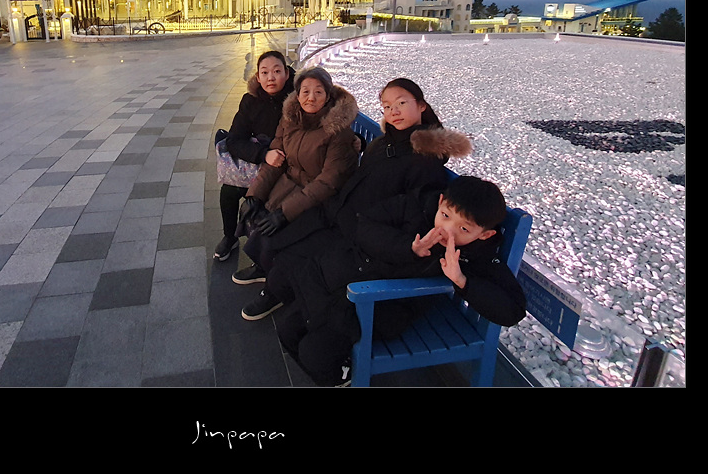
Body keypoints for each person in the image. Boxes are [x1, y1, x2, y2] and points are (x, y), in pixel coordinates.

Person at [278, 175, 527, 387]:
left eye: (464, 229)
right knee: (288, 329)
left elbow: (513, 309)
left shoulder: (475, 255)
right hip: (347, 280)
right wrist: (409, 248)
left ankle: (340, 377)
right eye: (445, 215)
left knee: (314, 353)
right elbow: (365, 226)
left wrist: (462, 281)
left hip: (381, 306)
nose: (448, 230)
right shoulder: (415, 207)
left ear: (485, 235)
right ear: (440, 202)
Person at [232, 66, 360, 320]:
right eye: (305, 91)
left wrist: (283, 213)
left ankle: (275, 290)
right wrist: (254, 195)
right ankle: (265, 267)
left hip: (322, 201)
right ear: (297, 94)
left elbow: (327, 182)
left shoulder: (338, 132)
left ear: (328, 96)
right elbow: (276, 160)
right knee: (255, 214)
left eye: (318, 92)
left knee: (278, 233)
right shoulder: (290, 119)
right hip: (291, 188)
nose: (310, 98)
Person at [213, 50, 296, 262]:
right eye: (265, 73)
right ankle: (229, 236)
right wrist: (263, 154)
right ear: (258, 77)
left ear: (286, 73)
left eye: (277, 71)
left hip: (291, 168)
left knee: (270, 197)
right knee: (229, 190)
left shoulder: (298, 98)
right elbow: (234, 140)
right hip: (262, 163)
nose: (271, 78)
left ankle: (267, 252)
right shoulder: (251, 101)